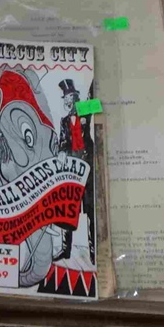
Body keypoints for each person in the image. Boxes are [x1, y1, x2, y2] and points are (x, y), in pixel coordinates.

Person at [54, 79, 95, 264]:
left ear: (76, 97)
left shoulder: (85, 110)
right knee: (67, 208)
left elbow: (93, 97)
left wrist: (94, 81)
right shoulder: (64, 121)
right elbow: (63, 143)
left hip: (88, 169)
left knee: (91, 209)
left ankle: (93, 252)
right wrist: (62, 152)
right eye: (66, 97)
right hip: (73, 171)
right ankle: (66, 250)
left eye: (71, 96)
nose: (68, 100)